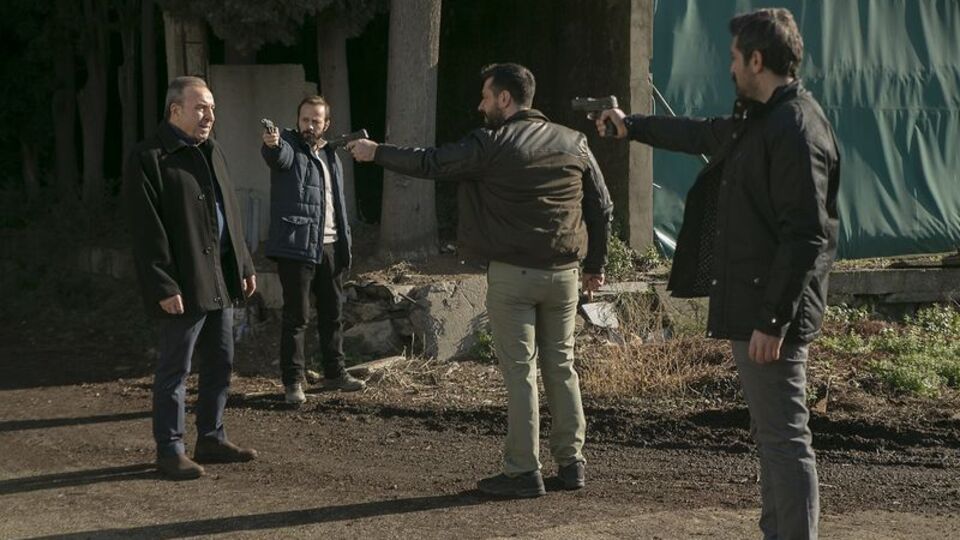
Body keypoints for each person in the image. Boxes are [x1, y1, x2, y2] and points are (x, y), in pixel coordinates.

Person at [597, 8, 839, 539]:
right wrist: (632, 126)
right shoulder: (764, 119)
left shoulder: (795, 127)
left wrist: (773, 320)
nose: (729, 67)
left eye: (734, 57)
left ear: (757, 59)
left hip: (770, 313)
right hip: (757, 307)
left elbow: (807, 236)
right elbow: (701, 133)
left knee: (784, 438)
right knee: (773, 436)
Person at [348, 63, 613, 498]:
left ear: (505, 99)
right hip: (565, 276)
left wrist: (377, 152)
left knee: (520, 373)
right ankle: (572, 464)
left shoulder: (490, 143)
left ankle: (523, 471)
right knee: (561, 366)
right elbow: (601, 206)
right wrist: (595, 265)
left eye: (486, 96)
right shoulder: (575, 141)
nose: (480, 105)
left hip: (512, 274)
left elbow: (431, 162)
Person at [124, 76, 260, 480]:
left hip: (219, 278)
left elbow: (229, 213)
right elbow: (146, 231)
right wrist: (164, 284)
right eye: (201, 107)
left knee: (221, 360)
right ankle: (170, 449)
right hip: (183, 284)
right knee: (175, 369)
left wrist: (245, 265)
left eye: (212, 108)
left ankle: (212, 437)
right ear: (175, 110)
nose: (209, 116)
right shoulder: (149, 158)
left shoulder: (212, 151)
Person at [261, 96, 364, 405]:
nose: (308, 125)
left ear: (326, 124)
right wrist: (273, 142)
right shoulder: (290, 146)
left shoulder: (331, 155)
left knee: (333, 314)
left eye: (315, 121)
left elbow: (339, 206)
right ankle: (293, 381)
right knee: (297, 317)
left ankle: (335, 372)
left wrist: (345, 242)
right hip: (297, 248)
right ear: (297, 121)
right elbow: (278, 156)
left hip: (331, 246)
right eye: (304, 119)